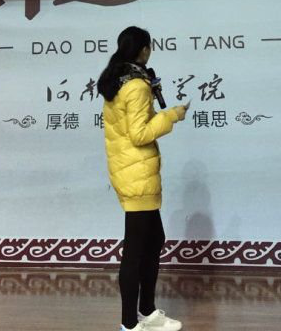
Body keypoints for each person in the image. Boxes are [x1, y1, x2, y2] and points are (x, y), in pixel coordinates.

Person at [98, 26, 188, 331]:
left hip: (130, 170)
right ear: (144, 50)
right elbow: (139, 134)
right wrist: (171, 115)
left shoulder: (119, 79)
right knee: (136, 251)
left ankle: (147, 311)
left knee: (154, 240)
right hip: (136, 173)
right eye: (149, 47)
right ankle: (129, 323)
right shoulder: (135, 85)